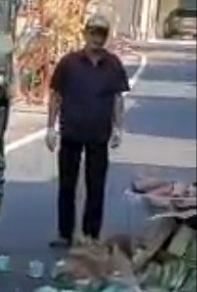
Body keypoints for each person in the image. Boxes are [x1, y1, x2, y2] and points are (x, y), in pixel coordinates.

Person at [44, 12, 131, 248]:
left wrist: (118, 129)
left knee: (96, 186)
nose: (97, 37)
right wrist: (50, 128)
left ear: (106, 37)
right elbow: (55, 95)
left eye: (101, 33)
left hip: (98, 134)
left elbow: (117, 99)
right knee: (67, 185)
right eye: (93, 32)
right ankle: (65, 234)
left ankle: (91, 234)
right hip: (71, 131)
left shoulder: (113, 64)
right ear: (85, 33)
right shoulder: (69, 63)